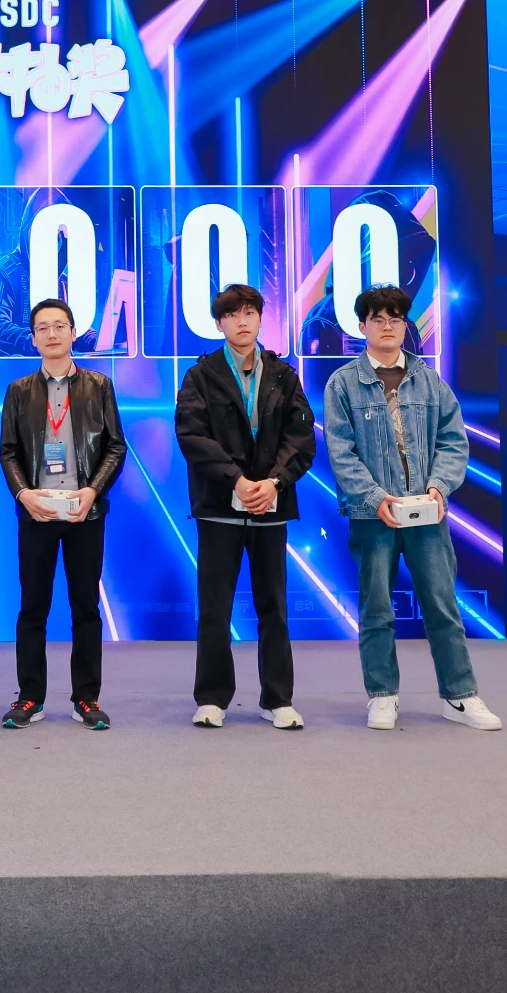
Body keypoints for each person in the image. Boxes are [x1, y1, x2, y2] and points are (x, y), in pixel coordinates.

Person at [323, 287, 500, 732]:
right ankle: (382, 696)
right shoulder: (342, 383)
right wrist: (374, 498)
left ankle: (460, 696)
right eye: (378, 318)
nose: (387, 326)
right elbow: (341, 452)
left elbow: (454, 442)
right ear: (362, 326)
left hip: (427, 515)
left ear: (405, 326)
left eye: (396, 318)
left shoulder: (430, 380)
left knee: (443, 606)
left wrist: (438, 488)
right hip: (373, 516)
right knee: (376, 609)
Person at [174, 283, 315, 730]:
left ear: (260, 319)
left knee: (274, 606)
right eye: (232, 314)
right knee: (214, 607)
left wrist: (273, 482)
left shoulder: (283, 374)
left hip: (271, 504)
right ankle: (212, 698)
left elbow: (301, 437)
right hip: (219, 505)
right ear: (219, 323)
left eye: (250, 312)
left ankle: (277, 699)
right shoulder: (200, 375)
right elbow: (192, 436)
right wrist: (236, 480)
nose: (242, 321)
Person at [0, 298, 127, 730]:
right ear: (33, 339)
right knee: (32, 608)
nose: (52, 334)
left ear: (73, 333)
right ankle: (29, 697)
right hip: (36, 513)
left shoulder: (99, 385)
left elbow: (115, 446)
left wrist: (93, 490)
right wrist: (23, 494)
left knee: (85, 606)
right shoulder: (18, 390)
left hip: (83, 512)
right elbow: (9, 451)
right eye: (43, 328)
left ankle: (86, 698)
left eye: (59, 326)